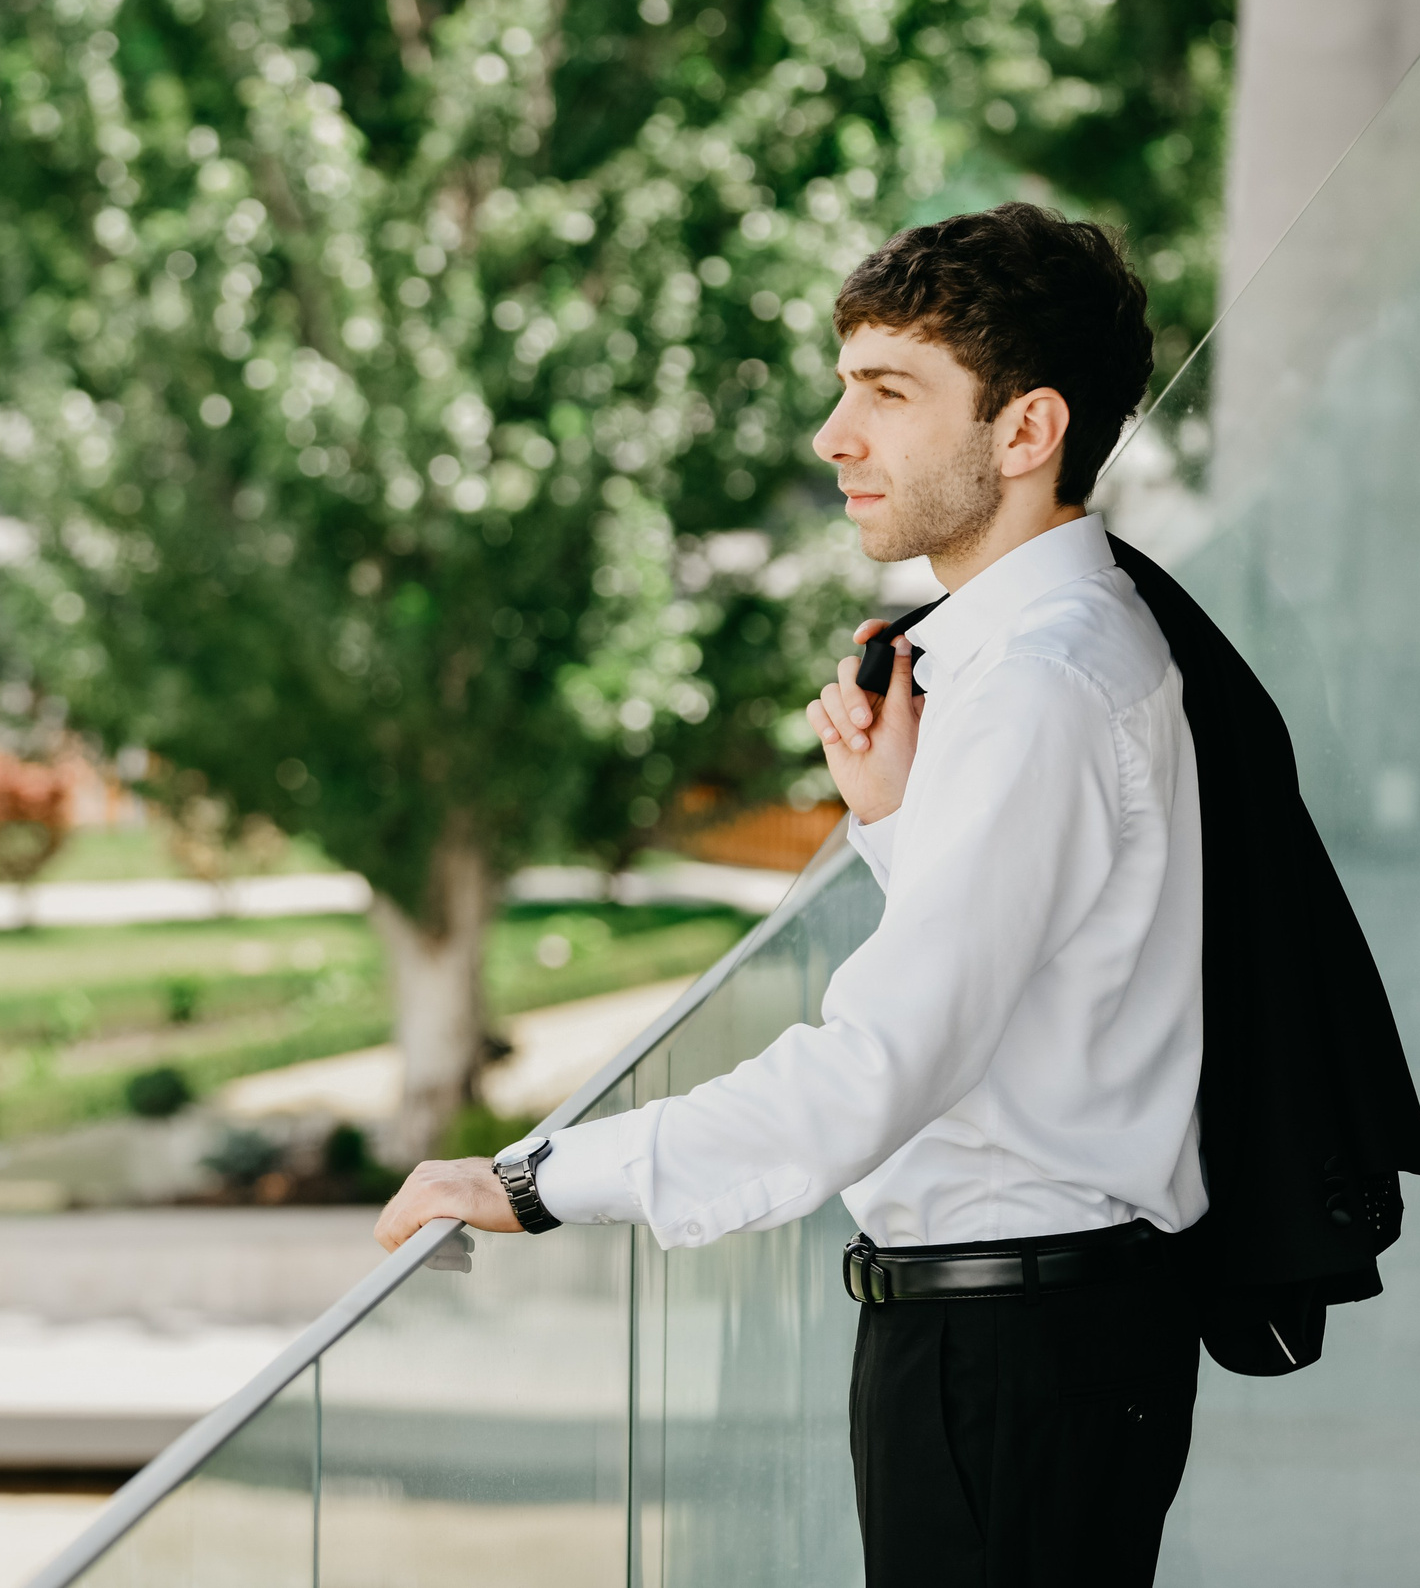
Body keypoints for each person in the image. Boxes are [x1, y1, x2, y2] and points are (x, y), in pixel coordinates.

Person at [375, 202, 1204, 1585]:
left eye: (887, 392)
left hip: (1010, 1355)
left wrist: (537, 1178)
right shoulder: (1055, 643)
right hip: (1036, 1341)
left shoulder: (1041, 683)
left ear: (1026, 431)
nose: (835, 434)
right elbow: (1046, 966)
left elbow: (874, 1069)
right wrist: (897, 822)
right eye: (845, 386)